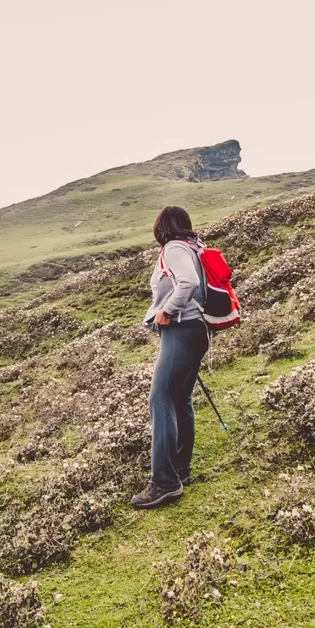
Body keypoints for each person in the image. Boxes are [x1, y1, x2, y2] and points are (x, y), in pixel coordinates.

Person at [131, 205, 210, 509]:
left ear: (161, 227)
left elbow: (187, 282)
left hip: (182, 329)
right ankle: (181, 469)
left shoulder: (175, 248)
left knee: (160, 399)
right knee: (180, 398)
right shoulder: (195, 247)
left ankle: (164, 481)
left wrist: (167, 310)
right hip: (197, 331)